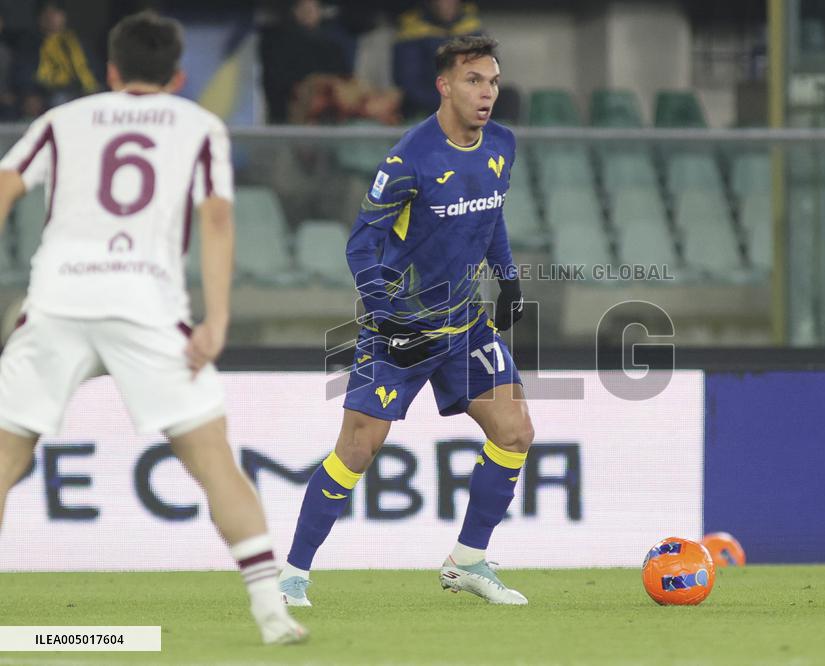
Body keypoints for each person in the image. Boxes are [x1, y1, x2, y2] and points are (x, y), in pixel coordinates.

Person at [0, 11, 306, 646]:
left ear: (111, 71)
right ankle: (271, 612)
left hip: (58, 300)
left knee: (4, 457)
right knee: (213, 459)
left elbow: (5, 185)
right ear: (178, 75)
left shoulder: (63, 119)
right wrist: (216, 319)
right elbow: (216, 219)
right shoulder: (199, 125)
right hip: (147, 306)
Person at [279, 35, 533, 606]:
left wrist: (509, 279)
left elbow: (490, 214)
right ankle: (293, 575)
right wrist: (387, 318)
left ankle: (468, 561)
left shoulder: (502, 144)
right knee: (357, 449)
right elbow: (360, 247)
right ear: (444, 86)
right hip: (399, 329)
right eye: (473, 80)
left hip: (463, 325)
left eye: (493, 81)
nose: (487, 92)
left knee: (515, 431)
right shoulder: (408, 159)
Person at [393, 0, 483, 119]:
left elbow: (484, 74)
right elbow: (409, 83)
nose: (448, 3)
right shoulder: (412, 33)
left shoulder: (472, 29)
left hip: (466, 105)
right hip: (425, 108)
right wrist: (449, 104)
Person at [15, 1, 100, 117]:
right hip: (46, 93)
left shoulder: (77, 43)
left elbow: (94, 71)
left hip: (78, 92)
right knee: (59, 100)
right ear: (39, 18)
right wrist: (29, 94)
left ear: (64, 16)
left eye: (55, 12)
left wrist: (94, 89)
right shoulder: (30, 44)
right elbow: (24, 74)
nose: (51, 17)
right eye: (46, 13)